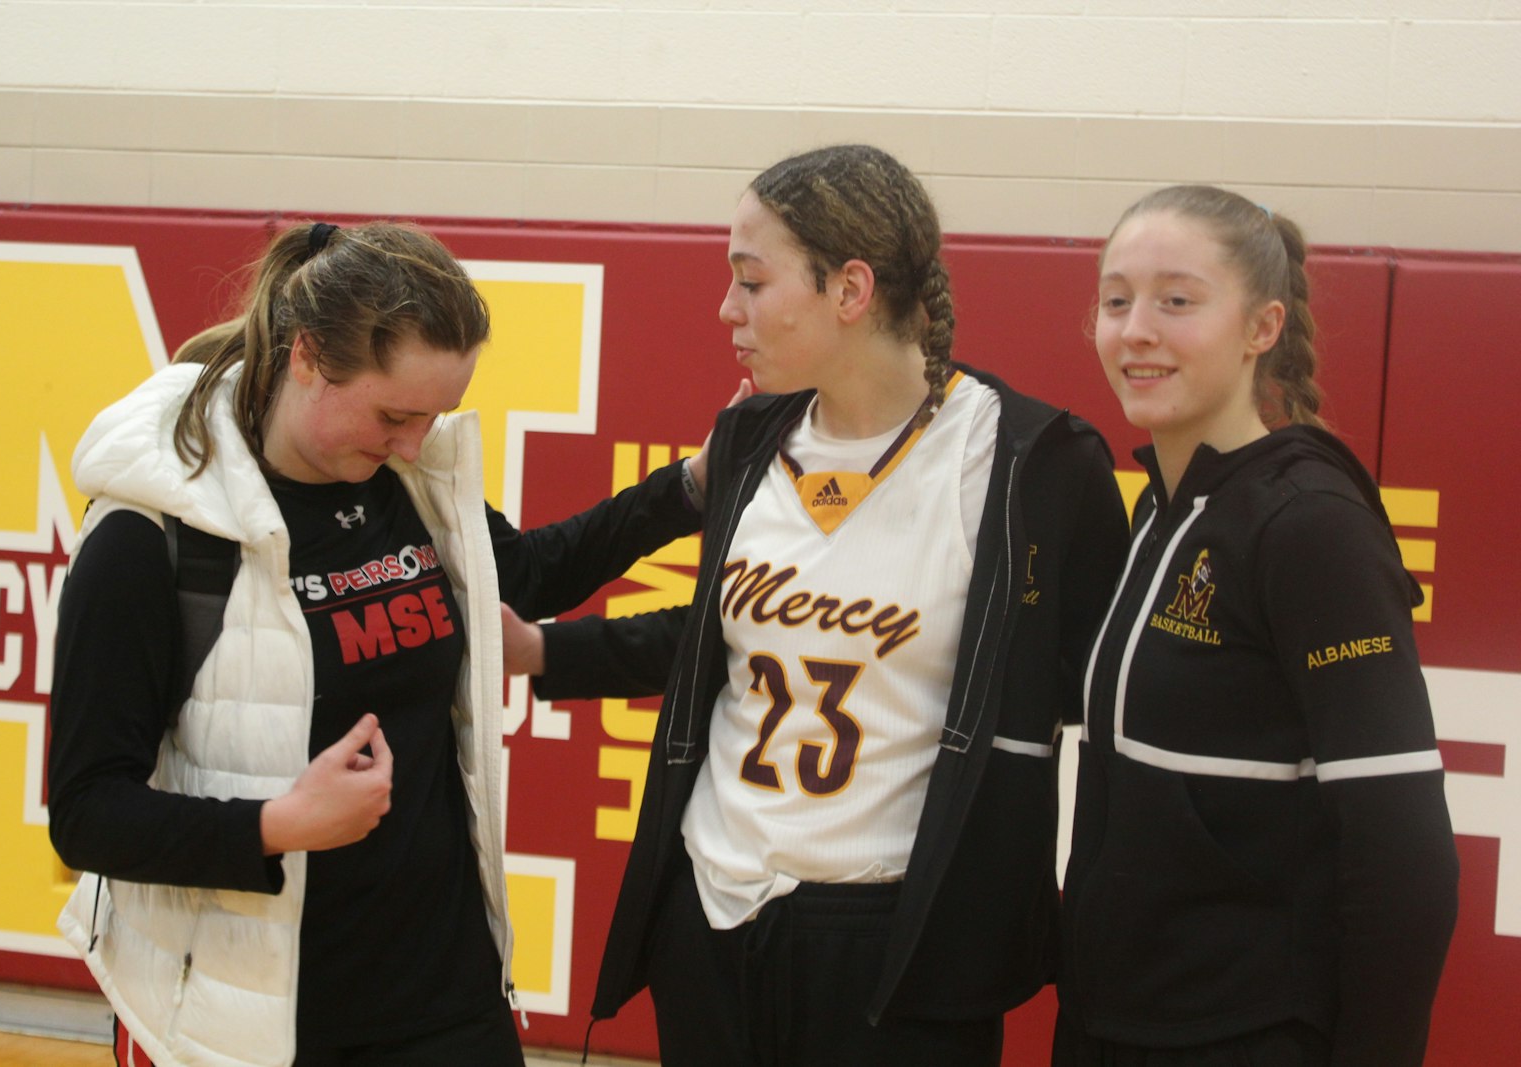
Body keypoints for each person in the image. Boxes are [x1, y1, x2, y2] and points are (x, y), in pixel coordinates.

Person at [504, 144, 1131, 1066]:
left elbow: (1081, 684)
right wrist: (546, 652)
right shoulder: (751, 434)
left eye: (751, 281)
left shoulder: (1031, 459)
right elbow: (726, 638)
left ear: (850, 290)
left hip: (895, 942)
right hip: (712, 916)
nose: (727, 309)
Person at [47, 220, 706, 1067]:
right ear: (309, 357)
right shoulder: (152, 540)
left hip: (447, 999)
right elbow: (88, 815)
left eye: (433, 416)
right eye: (395, 413)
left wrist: (689, 487)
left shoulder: (404, 480)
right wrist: (280, 824)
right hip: (255, 1023)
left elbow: (527, 571)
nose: (413, 441)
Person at [1053, 185, 1459, 1066]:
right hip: (1111, 1018)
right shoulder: (1162, 511)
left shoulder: (1310, 523)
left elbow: (1404, 855)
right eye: (1116, 300)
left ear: (1262, 327)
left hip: (1243, 1033)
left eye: (1178, 300)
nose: (1137, 329)